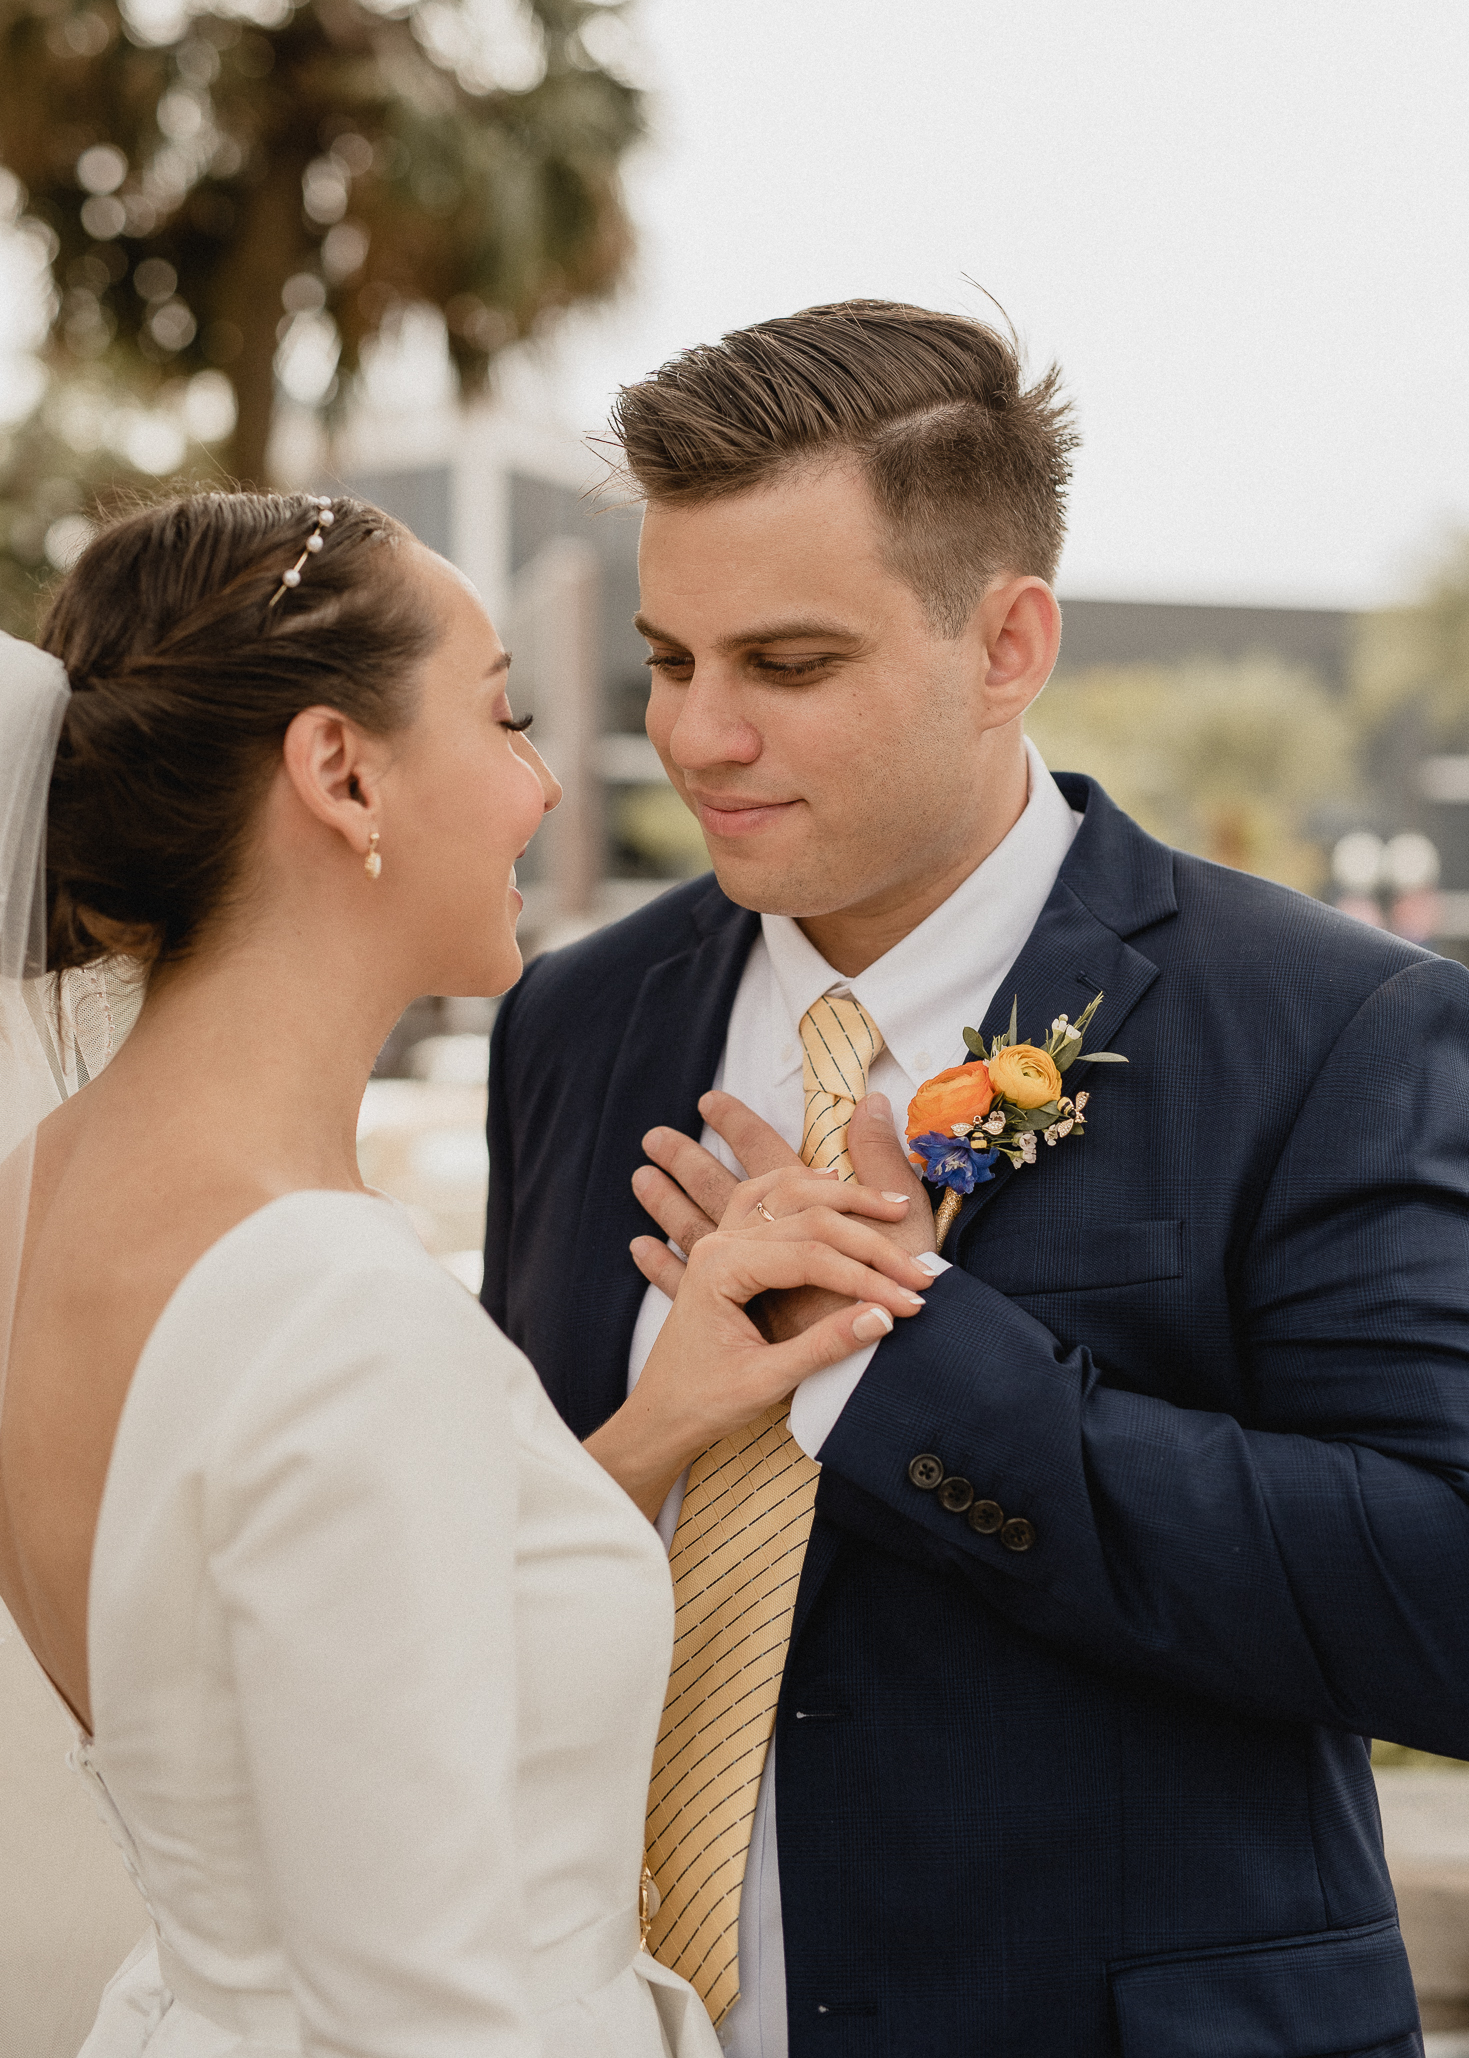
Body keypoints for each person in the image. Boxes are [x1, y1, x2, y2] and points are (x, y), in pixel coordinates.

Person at [483, 300, 1469, 2057]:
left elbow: (1443, 1607)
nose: (699, 737)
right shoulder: (572, 1024)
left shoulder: (1336, 1028)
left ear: (1007, 642)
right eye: (670, 659)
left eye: (786, 666)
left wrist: (899, 1373)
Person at [0, 490, 935, 2058]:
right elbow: (421, 2011)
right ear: (340, 770)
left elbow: (289, 1627)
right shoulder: (337, 1308)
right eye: (501, 716)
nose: (541, 782)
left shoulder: (42, 1193)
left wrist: (654, 1424)